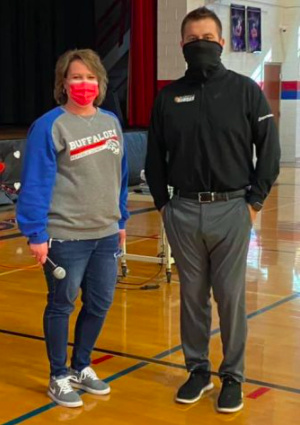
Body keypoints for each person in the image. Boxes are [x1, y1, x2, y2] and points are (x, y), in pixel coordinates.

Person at [145, 7, 280, 414]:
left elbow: (269, 152)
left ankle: (233, 376)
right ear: (182, 45)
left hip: (232, 210)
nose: (199, 43)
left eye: (207, 36)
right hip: (182, 210)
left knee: (230, 297)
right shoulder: (168, 96)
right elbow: (155, 158)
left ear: (221, 42)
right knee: (191, 297)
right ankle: (198, 370)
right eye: (191, 38)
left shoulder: (246, 91)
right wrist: (164, 206)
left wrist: (253, 202)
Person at [17, 49, 129, 408]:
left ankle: (82, 366)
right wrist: (36, 233)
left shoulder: (111, 122)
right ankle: (58, 375)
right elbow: (34, 182)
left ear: (101, 83)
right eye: (76, 77)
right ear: (63, 84)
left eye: (91, 77)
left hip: (106, 233)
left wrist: (121, 219)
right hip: (65, 235)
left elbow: (120, 177)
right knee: (62, 304)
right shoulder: (50, 125)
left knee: (100, 303)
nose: (84, 84)